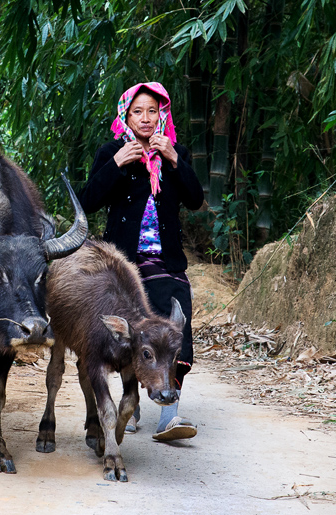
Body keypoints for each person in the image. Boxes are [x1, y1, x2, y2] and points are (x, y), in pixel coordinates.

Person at [78, 82, 204, 441]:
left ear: (162, 114)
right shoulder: (111, 151)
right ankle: (129, 404)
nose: (146, 118)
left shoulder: (175, 151)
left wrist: (175, 160)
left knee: (175, 325)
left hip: (165, 262)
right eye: (138, 112)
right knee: (125, 333)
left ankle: (169, 414)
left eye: (152, 111)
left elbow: (195, 200)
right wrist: (117, 163)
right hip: (123, 265)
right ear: (126, 116)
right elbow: (87, 202)